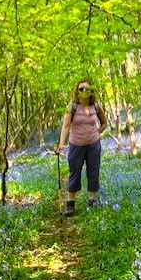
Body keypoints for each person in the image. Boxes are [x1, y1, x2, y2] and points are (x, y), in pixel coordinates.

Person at [54, 79, 107, 216]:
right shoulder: (72, 107)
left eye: (87, 89)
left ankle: (92, 200)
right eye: (81, 89)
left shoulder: (95, 106)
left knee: (93, 172)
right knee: (74, 172)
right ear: (77, 92)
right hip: (76, 145)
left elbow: (104, 123)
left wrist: (97, 132)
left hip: (94, 145)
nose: (84, 91)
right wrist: (61, 144)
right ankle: (70, 204)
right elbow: (66, 127)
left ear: (91, 91)